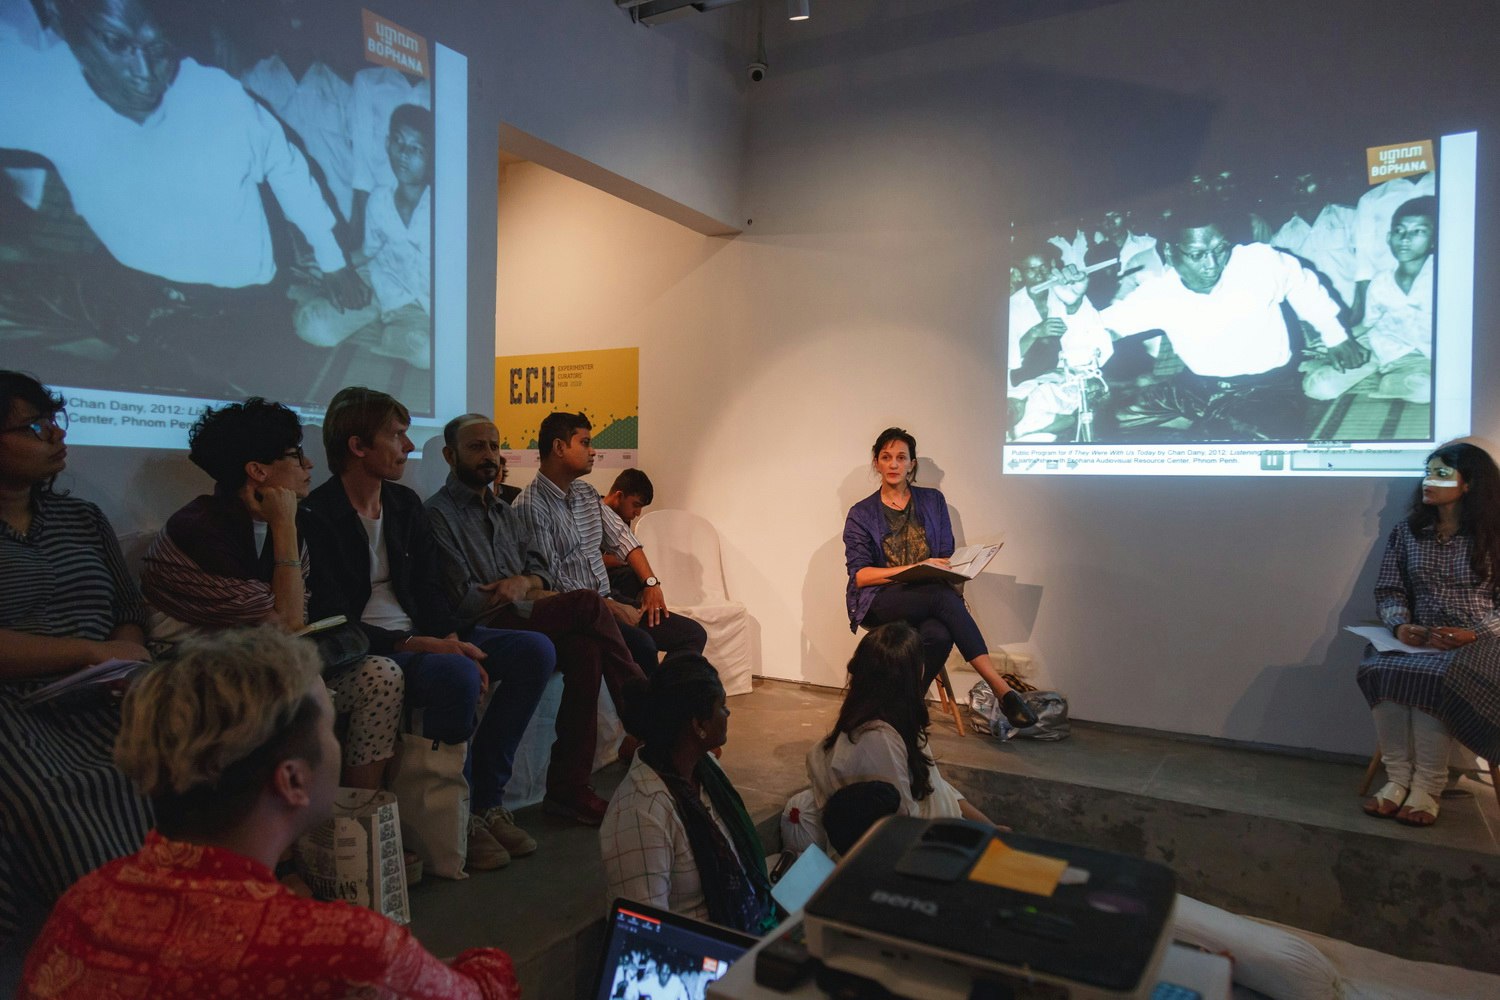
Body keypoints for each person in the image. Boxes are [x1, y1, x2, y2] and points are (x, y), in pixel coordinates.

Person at [20, 628, 519, 999]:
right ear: (293, 780)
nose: (336, 743)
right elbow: (486, 989)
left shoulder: (83, 904)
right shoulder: (337, 947)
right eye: (329, 728)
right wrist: (436, 964)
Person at [300, 387, 554, 869]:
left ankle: (484, 802)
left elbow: (430, 590)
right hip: (370, 648)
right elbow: (332, 621)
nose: (408, 447)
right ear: (358, 446)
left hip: (427, 634)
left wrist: (453, 641)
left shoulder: (403, 505)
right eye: (396, 436)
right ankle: (449, 816)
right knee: (456, 676)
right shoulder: (315, 515)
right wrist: (428, 647)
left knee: (534, 651)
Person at [0, 0, 367, 301]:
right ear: (68, 33)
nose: (144, 72)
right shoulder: (42, 94)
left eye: (157, 48)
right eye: (116, 44)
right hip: (133, 286)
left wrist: (332, 260)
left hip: (240, 297)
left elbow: (288, 170)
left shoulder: (220, 101)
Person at [140, 397, 402, 790]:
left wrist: (285, 527)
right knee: (302, 687)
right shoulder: (199, 528)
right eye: (296, 456)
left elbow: (289, 626)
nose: (308, 465)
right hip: (193, 671)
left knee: (382, 675)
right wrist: (283, 526)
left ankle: (354, 819)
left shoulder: (286, 521)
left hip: (259, 660)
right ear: (258, 470)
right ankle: (291, 836)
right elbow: (289, 625)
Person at [0, 371, 152, 988]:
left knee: (188, 756)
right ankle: (110, 953)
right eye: (32, 426)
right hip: (19, 707)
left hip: (108, 690)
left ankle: (192, 933)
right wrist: (85, 654)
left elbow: (130, 614)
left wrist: (122, 656)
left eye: (54, 420)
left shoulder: (81, 518)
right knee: (52, 793)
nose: (54, 435)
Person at [426, 412, 647, 825]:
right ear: (449, 455)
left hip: (520, 611)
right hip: (485, 623)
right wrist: (519, 586)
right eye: (477, 447)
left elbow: (539, 569)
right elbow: (462, 598)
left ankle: (568, 789)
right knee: (587, 604)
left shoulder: (503, 511)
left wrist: (522, 580)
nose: (489, 455)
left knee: (585, 649)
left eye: (494, 446)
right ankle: (644, 713)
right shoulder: (438, 515)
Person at [1098, 206, 1367, 441]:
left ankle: (1206, 429)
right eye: (1197, 254)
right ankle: (1198, 423)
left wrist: (1336, 335)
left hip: (1267, 390)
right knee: (1106, 423)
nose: (1212, 264)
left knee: (1218, 446)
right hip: (1195, 387)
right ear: (1169, 251)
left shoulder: (1259, 262)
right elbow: (1106, 327)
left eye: (1219, 249)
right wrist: (1074, 305)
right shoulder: (1159, 293)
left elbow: (1303, 284)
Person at [843, 427, 1036, 728]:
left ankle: (903, 708)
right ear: (876, 463)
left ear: (912, 464)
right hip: (882, 601)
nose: (893, 464)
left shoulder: (933, 501)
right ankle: (1002, 689)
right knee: (939, 597)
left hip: (929, 598)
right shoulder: (861, 513)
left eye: (901, 457)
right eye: (886, 457)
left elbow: (945, 555)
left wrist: (959, 567)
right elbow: (862, 577)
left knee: (941, 633)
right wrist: (912, 570)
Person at [1356, 442, 1500, 828]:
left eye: (1441, 474)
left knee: (1433, 676)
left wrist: (1471, 633)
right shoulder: (1409, 531)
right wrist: (1401, 625)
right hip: (1420, 636)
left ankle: (1428, 787)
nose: (1427, 482)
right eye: (1427, 472)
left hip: (1482, 640)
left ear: (1469, 484)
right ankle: (1398, 779)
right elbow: (1389, 589)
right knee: (1380, 666)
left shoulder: (1494, 534)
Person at [514, 412, 707, 676]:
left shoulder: (586, 493)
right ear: (559, 447)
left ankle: (667, 700)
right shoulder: (531, 506)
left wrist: (651, 584)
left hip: (608, 600)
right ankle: (651, 709)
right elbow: (554, 583)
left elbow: (624, 540)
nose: (593, 451)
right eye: (584, 443)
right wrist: (612, 608)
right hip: (582, 615)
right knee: (643, 646)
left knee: (692, 634)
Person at [600, 654, 777, 934]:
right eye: (723, 706)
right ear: (699, 725)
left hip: (741, 938)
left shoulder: (705, 772)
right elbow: (642, 936)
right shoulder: (641, 813)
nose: (728, 715)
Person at [808, 624, 999, 828]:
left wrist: (991, 828)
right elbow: (900, 827)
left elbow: (937, 787)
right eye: (921, 661)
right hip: (914, 848)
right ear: (909, 675)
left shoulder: (899, 723)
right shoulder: (877, 741)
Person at [295, 104, 433, 370]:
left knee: (429, 354)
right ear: (387, 143)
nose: (404, 154)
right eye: (398, 142)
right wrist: (333, 266)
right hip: (374, 291)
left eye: (416, 148)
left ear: (432, 155)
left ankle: (383, 333)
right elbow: (369, 251)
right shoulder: (380, 199)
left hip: (418, 307)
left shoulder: (444, 208)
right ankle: (384, 332)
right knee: (311, 325)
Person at [1302, 196, 1435, 405]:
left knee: (1428, 390)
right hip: (1376, 352)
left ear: (1435, 238)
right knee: (1318, 387)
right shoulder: (1381, 281)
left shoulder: (1446, 278)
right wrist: (1334, 341)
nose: (1406, 238)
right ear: (1388, 237)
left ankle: (1383, 383)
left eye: (1419, 231)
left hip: (1421, 359)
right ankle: (1379, 379)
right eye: (1399, 231)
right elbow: (1366, 324)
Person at [1006, 243, 1114, 442]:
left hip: (1069, 381)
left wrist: (1074, 303)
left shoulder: (1067, 293)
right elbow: (1007, 363)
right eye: (1031, 269)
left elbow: (1099, 347)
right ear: (1020, 274)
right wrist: (1033, 333)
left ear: (1053, 265)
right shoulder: (1011, 307)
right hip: (1023, 383)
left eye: (1043, 267)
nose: (1039, 274)